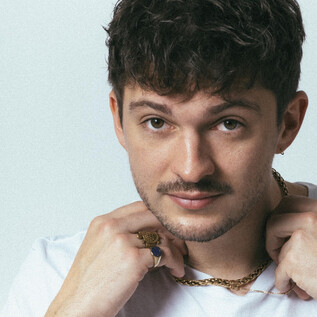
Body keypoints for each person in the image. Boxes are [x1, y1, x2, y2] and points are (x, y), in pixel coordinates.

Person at [2, 0, 317, 316]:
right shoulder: (57, 277)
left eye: (228, 124)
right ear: (119, 120)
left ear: (287, 123)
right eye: (157, 122)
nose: (191, 169)